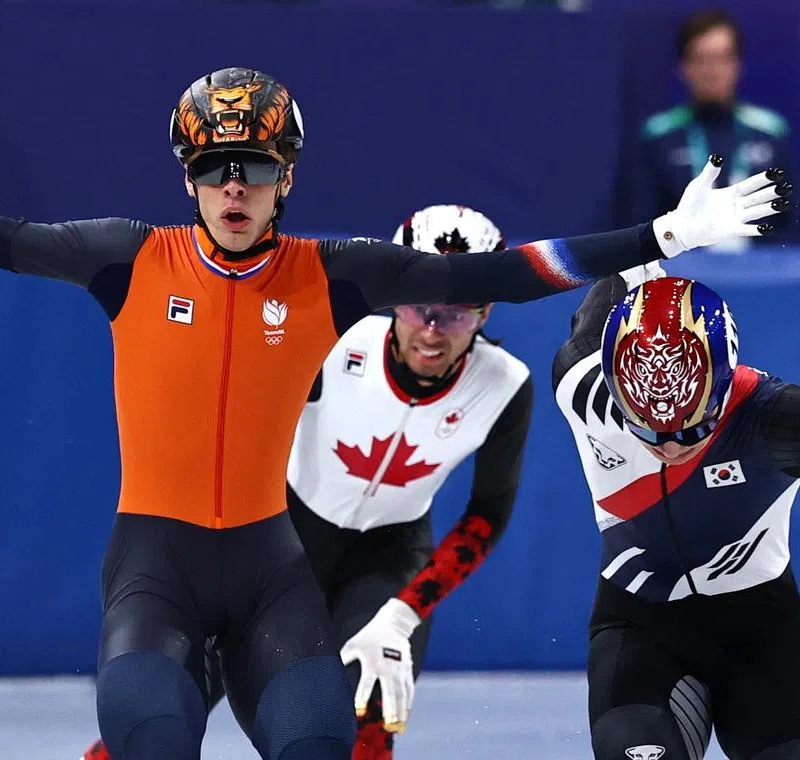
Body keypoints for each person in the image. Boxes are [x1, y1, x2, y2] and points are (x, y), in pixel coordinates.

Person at [0, 67, 785, 760]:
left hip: (273, 573)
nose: (235, 187)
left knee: (328, 745)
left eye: (255, 169)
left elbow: (501, 276)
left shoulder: (337, 273)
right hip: (158, 568)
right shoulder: (128, 257)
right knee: (154, 741)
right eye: (216, 168)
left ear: (286, 178)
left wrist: (660, 237)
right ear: (189, 177)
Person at [78, 204, 532, 760]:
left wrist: (404, 613)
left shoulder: (506, 384)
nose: (434, 332)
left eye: (459, 314)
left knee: (368, 720)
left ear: (487, 314)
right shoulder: (336, 339)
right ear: (391, 300)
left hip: (390, 560)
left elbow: (487, 515)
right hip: (285, 541)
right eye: (419, 308)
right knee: (176, 701)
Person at [552, 263, 800, 759]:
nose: (669, 445)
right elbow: (613, 269)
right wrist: (655, 242)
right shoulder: (580, 386)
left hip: (762, 638)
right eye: (647, 428)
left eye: (692, 426)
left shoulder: (778, 418)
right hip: (639, 631)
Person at [620, 8, 800, 246]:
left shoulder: (770, 132)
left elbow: (794, 226)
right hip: (682, 271)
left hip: (762, 273)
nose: (712, 71)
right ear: (683, 67)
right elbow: (641, 227)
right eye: (702, 59)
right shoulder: (659, 136)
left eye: (722, 58)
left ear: (737, 65)